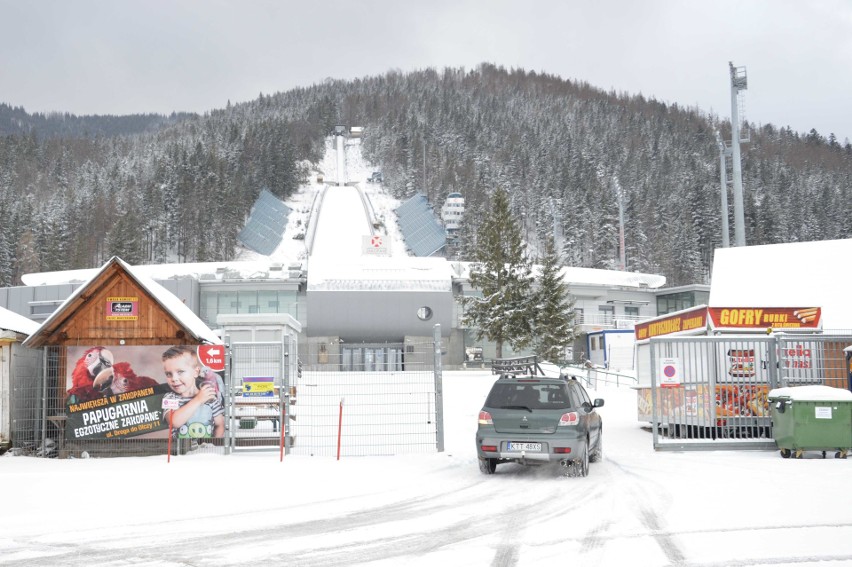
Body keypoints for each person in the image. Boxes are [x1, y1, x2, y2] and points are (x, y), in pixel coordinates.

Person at [161, 346, 225, 439]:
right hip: (180, 452)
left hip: (205, 451)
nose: (174, 379)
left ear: (196, 372)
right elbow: (174, 422)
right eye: (168, 374)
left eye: (180, 372)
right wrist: (198, 399)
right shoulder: (170, 398)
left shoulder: (209, 397)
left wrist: (213, 444)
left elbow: (220, 425)